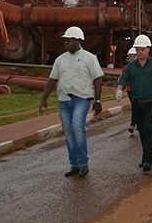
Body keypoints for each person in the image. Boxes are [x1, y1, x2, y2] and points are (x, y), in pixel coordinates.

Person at [39, 26, 104, 178]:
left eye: (69, 40)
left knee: (77, 127)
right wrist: (43, 99)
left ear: (78, 40)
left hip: (81, 99)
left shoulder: (89, 58)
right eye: (65, 40)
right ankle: (74, 164)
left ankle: (83, 164)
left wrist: (98, 100)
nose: (66, 43)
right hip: (64, 100)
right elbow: (52, 80)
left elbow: (98, 79)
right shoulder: (60, 59)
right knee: (69, 133)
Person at [117, 34, 152, 172]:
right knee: (142, 131)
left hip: (151, 102)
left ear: (148, 49)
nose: (140, 52)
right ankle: (145, 157)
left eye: (143, 49)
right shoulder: (131, 67)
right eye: (138, 50)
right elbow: (124, 78)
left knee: (148, 129)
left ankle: (147, 159)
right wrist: (119, 89)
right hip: (137, 103)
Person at [123, 47, 138, 134]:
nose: (132, 58)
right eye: (130, 56)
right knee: (135, 106)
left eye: (134, 56)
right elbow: (122, 79)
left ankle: (133, 124)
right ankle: (137, 123)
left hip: (140, 90)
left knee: (136, 107)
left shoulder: (140, 66)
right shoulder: (126, 68)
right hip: (130, 90)